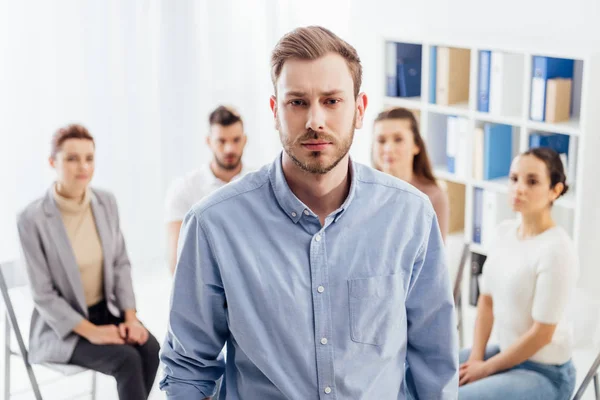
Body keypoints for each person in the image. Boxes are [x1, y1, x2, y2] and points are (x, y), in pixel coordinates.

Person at [160, 26, 458, 399]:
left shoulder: (411, 215)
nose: (315, 120)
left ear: (359, 109)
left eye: (332, 101)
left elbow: (434, 361)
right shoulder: (213, 224)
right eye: (297, 102)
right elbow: (188, 368)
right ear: (275, 111)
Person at [17, 124, 160, 400]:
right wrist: (93, 333)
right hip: (63, 328)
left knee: (150, 349)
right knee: (127, 360)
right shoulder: (31, 219)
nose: (82, 166)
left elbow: (120, 264)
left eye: (89, 158)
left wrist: (131, 319)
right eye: (72, 158)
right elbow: (43, 295)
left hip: (105, 312)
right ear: (52, 162)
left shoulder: (105, 202)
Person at [459, 147, 578, 400]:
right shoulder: (503, 232)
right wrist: (475, 358)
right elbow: (486, 301)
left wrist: (485, 370)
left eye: (532, 181)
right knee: (423, 373)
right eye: (514, 179)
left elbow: (542, 334)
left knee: (457, 397)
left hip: (546, 373)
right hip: (506, 354)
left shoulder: (557, 250)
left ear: (555, 191)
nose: (519, 188)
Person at [164, 105, 250, 275]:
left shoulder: (260, 184)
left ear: (245, 140)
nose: (229, 149)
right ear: (209, 141)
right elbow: (177, 263)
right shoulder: (184, 189)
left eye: (236, 140)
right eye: (221, 141)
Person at [372, 107, 450, 241]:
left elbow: (435, 257)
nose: (388, 148)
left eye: (398, 139)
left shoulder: (433, 197)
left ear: (416, 145)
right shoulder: (361, 192)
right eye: (381, 141)